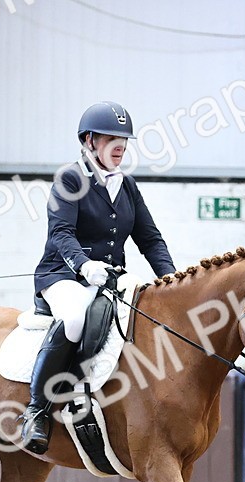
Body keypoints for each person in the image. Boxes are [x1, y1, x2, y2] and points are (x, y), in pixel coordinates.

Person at [20, 101, 177, 454]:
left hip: (109, 279)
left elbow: (150, 239)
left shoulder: (127, 186)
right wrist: (83, 265)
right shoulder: (70, 179)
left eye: (124, 140)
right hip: (63, 275)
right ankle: (36, 411)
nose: (120, 146)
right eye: (111, 139)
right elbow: (61, 232)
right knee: (75, 318)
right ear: (89, 140)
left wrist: (171, 280)